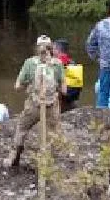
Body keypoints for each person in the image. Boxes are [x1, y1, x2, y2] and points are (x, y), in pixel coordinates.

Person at [5, 36, 67, 168]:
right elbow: (64, 90)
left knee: (22, 128)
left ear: (37, 48)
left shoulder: (30, 63)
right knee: (52, 132)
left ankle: (14, 155)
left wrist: (29, 84)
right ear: (51, 48)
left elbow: (17, 87)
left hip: (34, 104)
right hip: (51, 105)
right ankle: (49, 161)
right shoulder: (57, 63)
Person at [54, 39, 83, 111]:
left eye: (53, 49)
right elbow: (76, 91)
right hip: (71, 102)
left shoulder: (55, 64)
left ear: (57, 50)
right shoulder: (74, 65)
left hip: (59, 102)